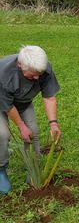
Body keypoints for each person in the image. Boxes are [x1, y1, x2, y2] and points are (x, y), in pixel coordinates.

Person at [0, 45, 61, 194]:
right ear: (20, 65)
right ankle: (1, 170)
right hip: (1, 101)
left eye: (39, 74)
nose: (36, 78)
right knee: (2, 135)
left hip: (23, 101)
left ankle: (33, 171)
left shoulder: (43, 69)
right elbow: (7, 106)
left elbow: (49, 97)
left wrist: (53, 124)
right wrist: (21, 126)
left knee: (32, 132)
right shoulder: (5, 74)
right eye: (32, 75)